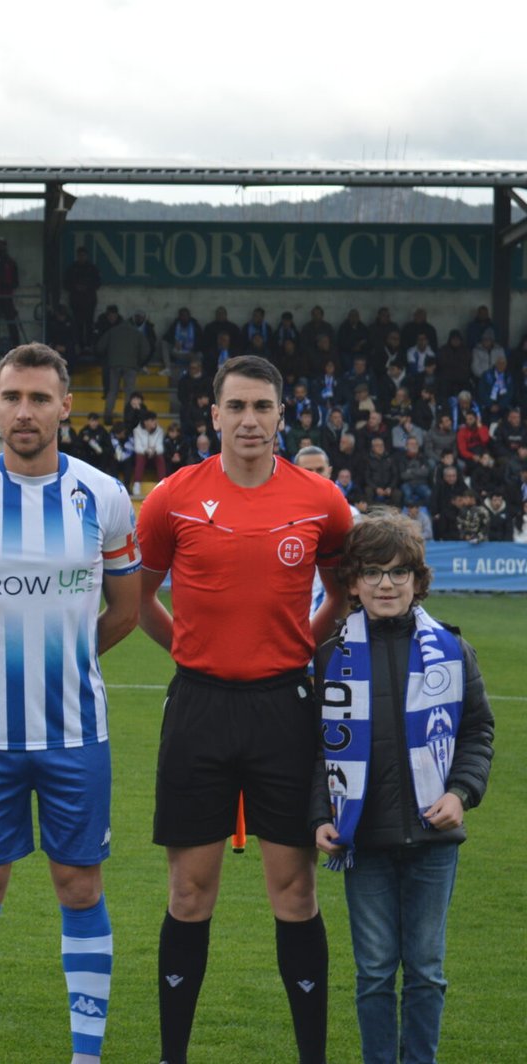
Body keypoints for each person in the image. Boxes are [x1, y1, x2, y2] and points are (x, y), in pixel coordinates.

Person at [0, 343, 140, 1064]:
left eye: (40, 398)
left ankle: (86, 1056)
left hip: (77, 733)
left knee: (79, 885)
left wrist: (63, 661)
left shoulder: (104, 496)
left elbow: (126, 610)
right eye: (12, 396)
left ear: (64, 406)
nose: (24, 411)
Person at [135, 355, 355, 1064]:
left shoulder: (321, 501)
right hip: (199, 706)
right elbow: (140, 598)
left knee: (294, 893)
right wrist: (191, 652)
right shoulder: (172, 497)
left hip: (283, 711)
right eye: (237, 408)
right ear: (215, 415)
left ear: (282, 416)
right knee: (189, 892)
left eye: (263, 407)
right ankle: (173, 1055)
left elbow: (342, 593)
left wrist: (297, 648)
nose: (250, 420)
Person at [311, 514, 494, 1064]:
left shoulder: (452, 652)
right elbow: (314, 749)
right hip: (361, 840)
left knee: (426, 972)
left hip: (434, 841)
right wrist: (322, 813)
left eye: (397, 573)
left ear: (418, 580)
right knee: (371, 973)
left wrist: (461, 792)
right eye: (372, 573)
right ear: (352, 583)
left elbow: (477, 731)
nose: (385, 585)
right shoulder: (329, 658)